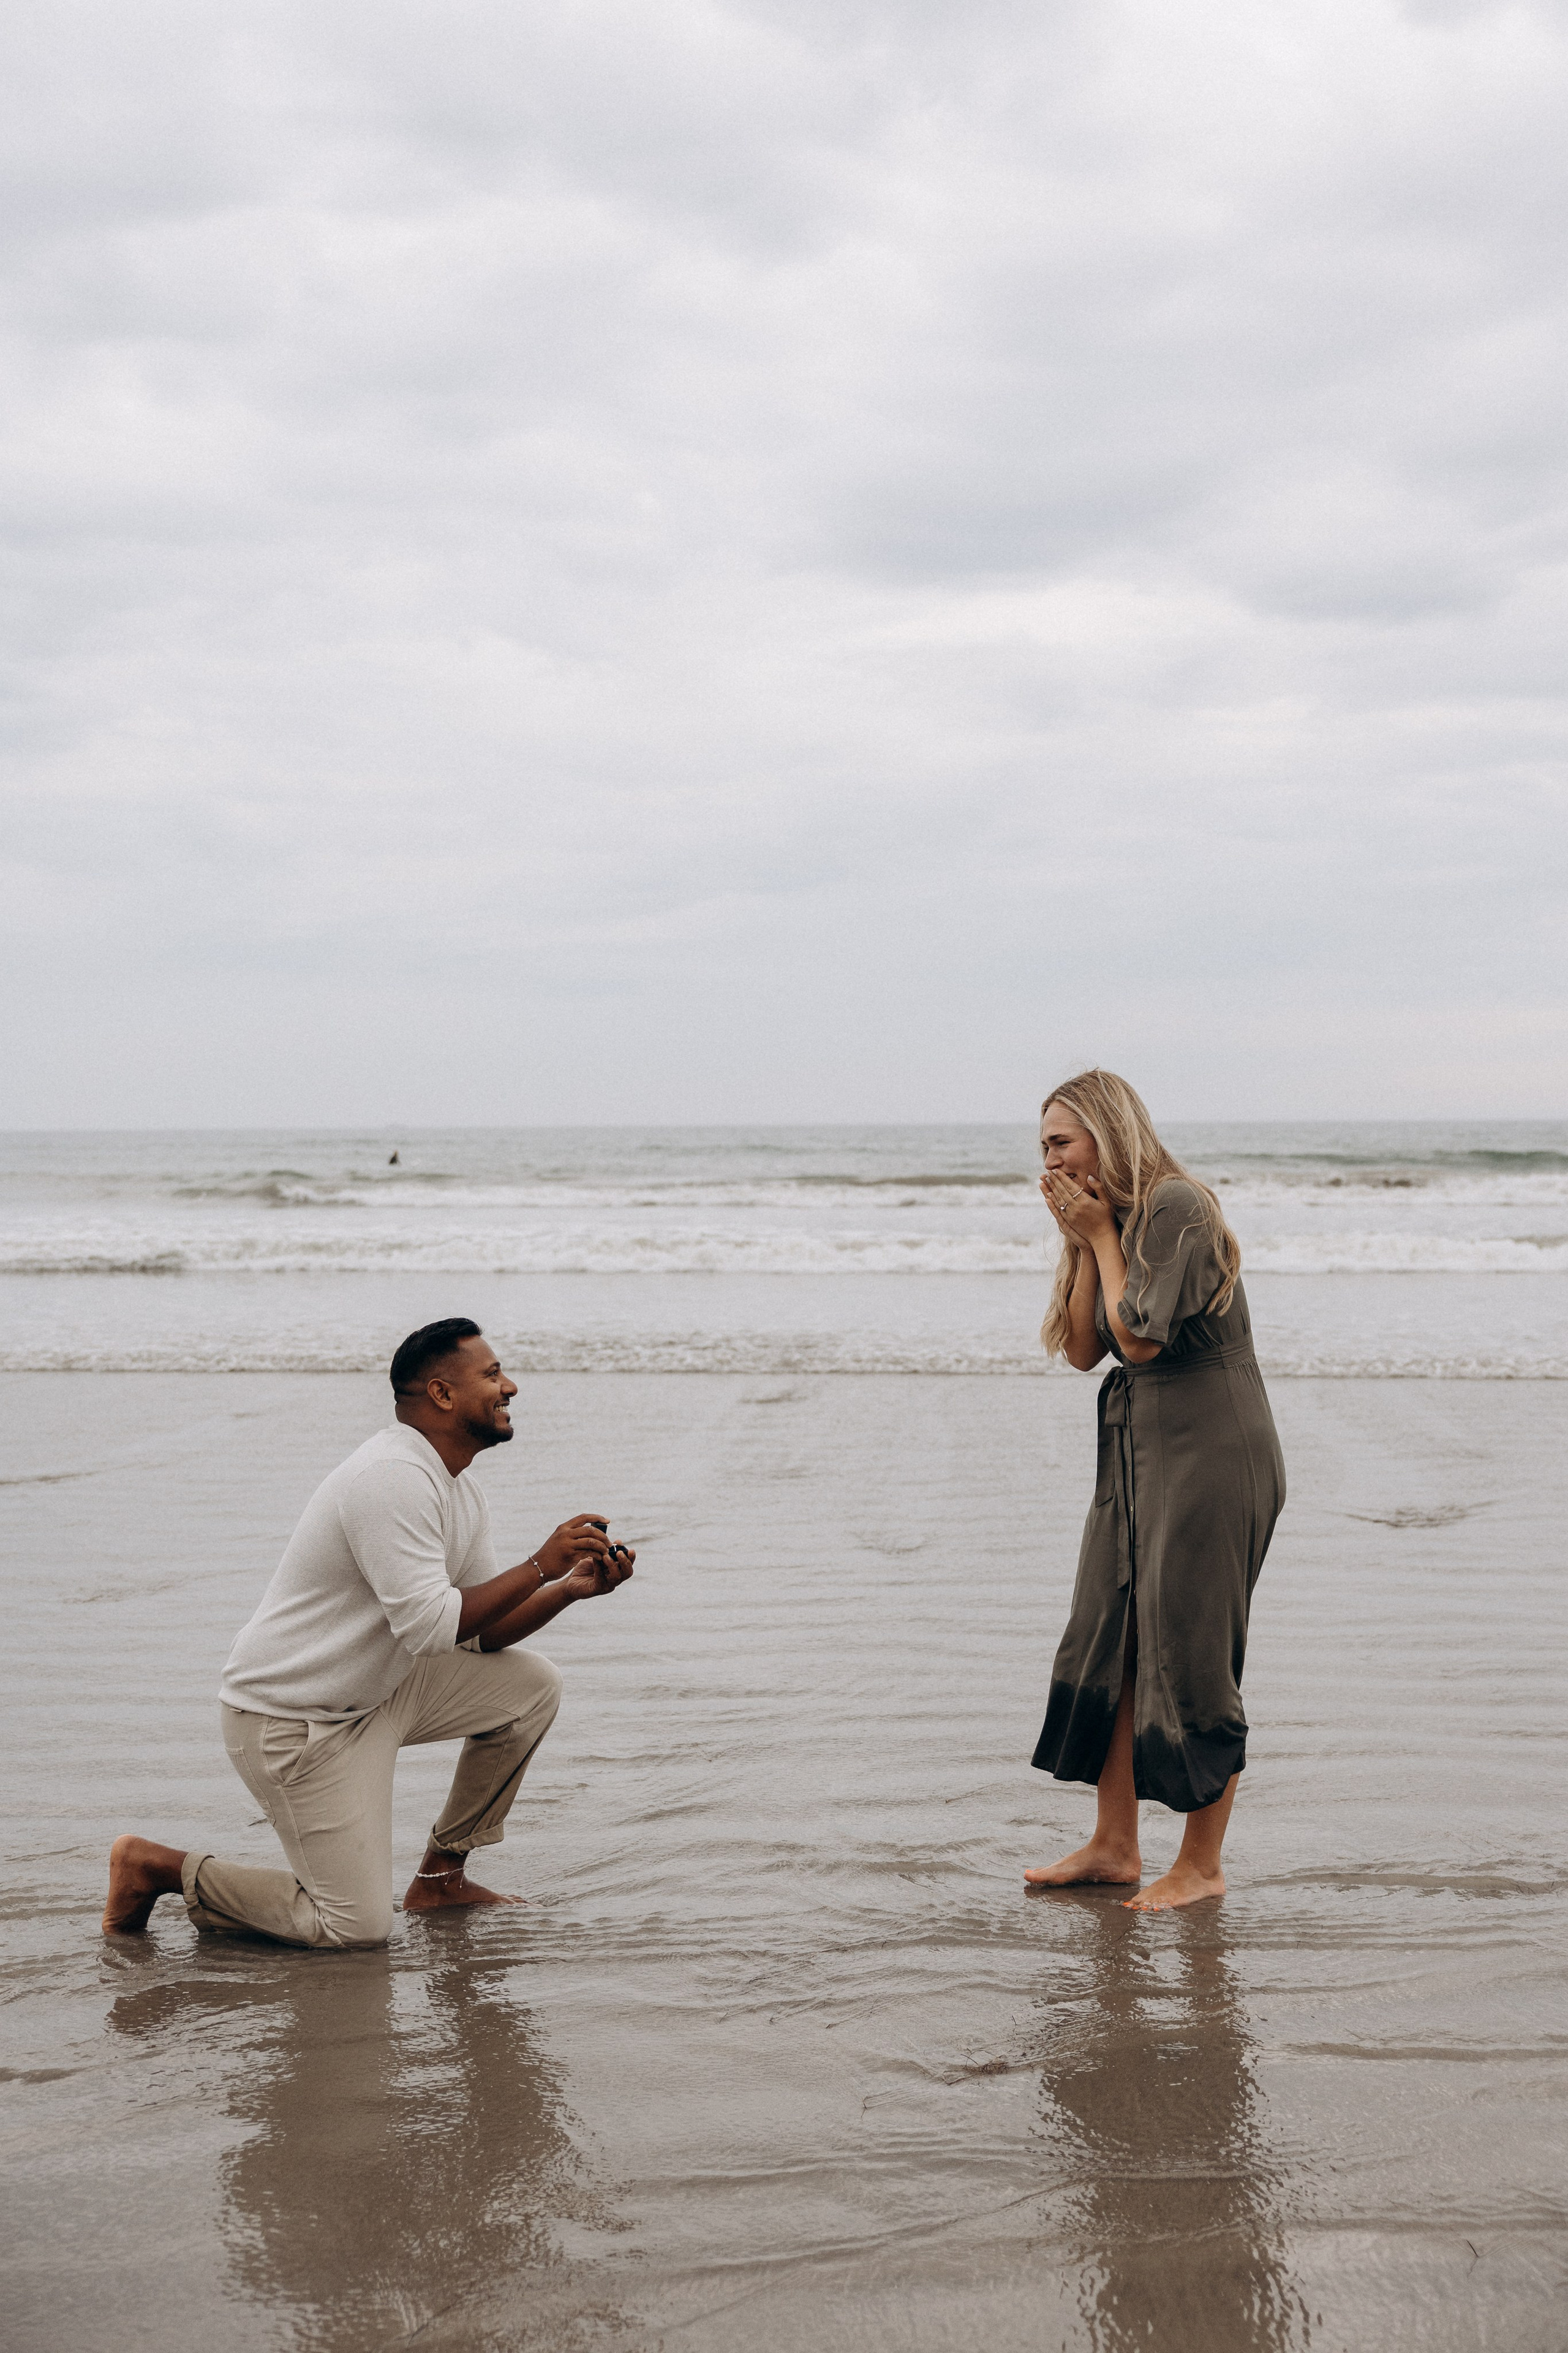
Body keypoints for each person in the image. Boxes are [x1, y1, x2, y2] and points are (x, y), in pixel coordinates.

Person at [102, 1318, 635, 1946]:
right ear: (442, 1393)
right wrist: (540, 1564)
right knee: (353, 1928)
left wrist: (566, 1589)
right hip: (294, 1722)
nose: (510, 1386)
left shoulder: (457, 1488)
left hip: (376, 1693)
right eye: (492, 1374)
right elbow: (433, 1627)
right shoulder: (389, 1476)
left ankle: (441, 1877)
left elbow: (480, 1634)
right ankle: (155, 1867)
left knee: (531, 1686)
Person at [1025, 1071, 1285, 1910]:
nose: (1049, 1160)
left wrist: (1100, 1235)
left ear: (1106, 1133)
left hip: (1213, 1450)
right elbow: (1082, 1349)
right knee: (1111, 1638)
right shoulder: (1113, 1220)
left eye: (1061, 1141)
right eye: (1043, 1147)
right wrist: (1083, 1240)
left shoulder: (1176, 1205)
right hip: (1139, 1450)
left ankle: (1201, 1866)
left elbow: (1137, 1339)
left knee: (1192, 1651)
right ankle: (1114, 1845)